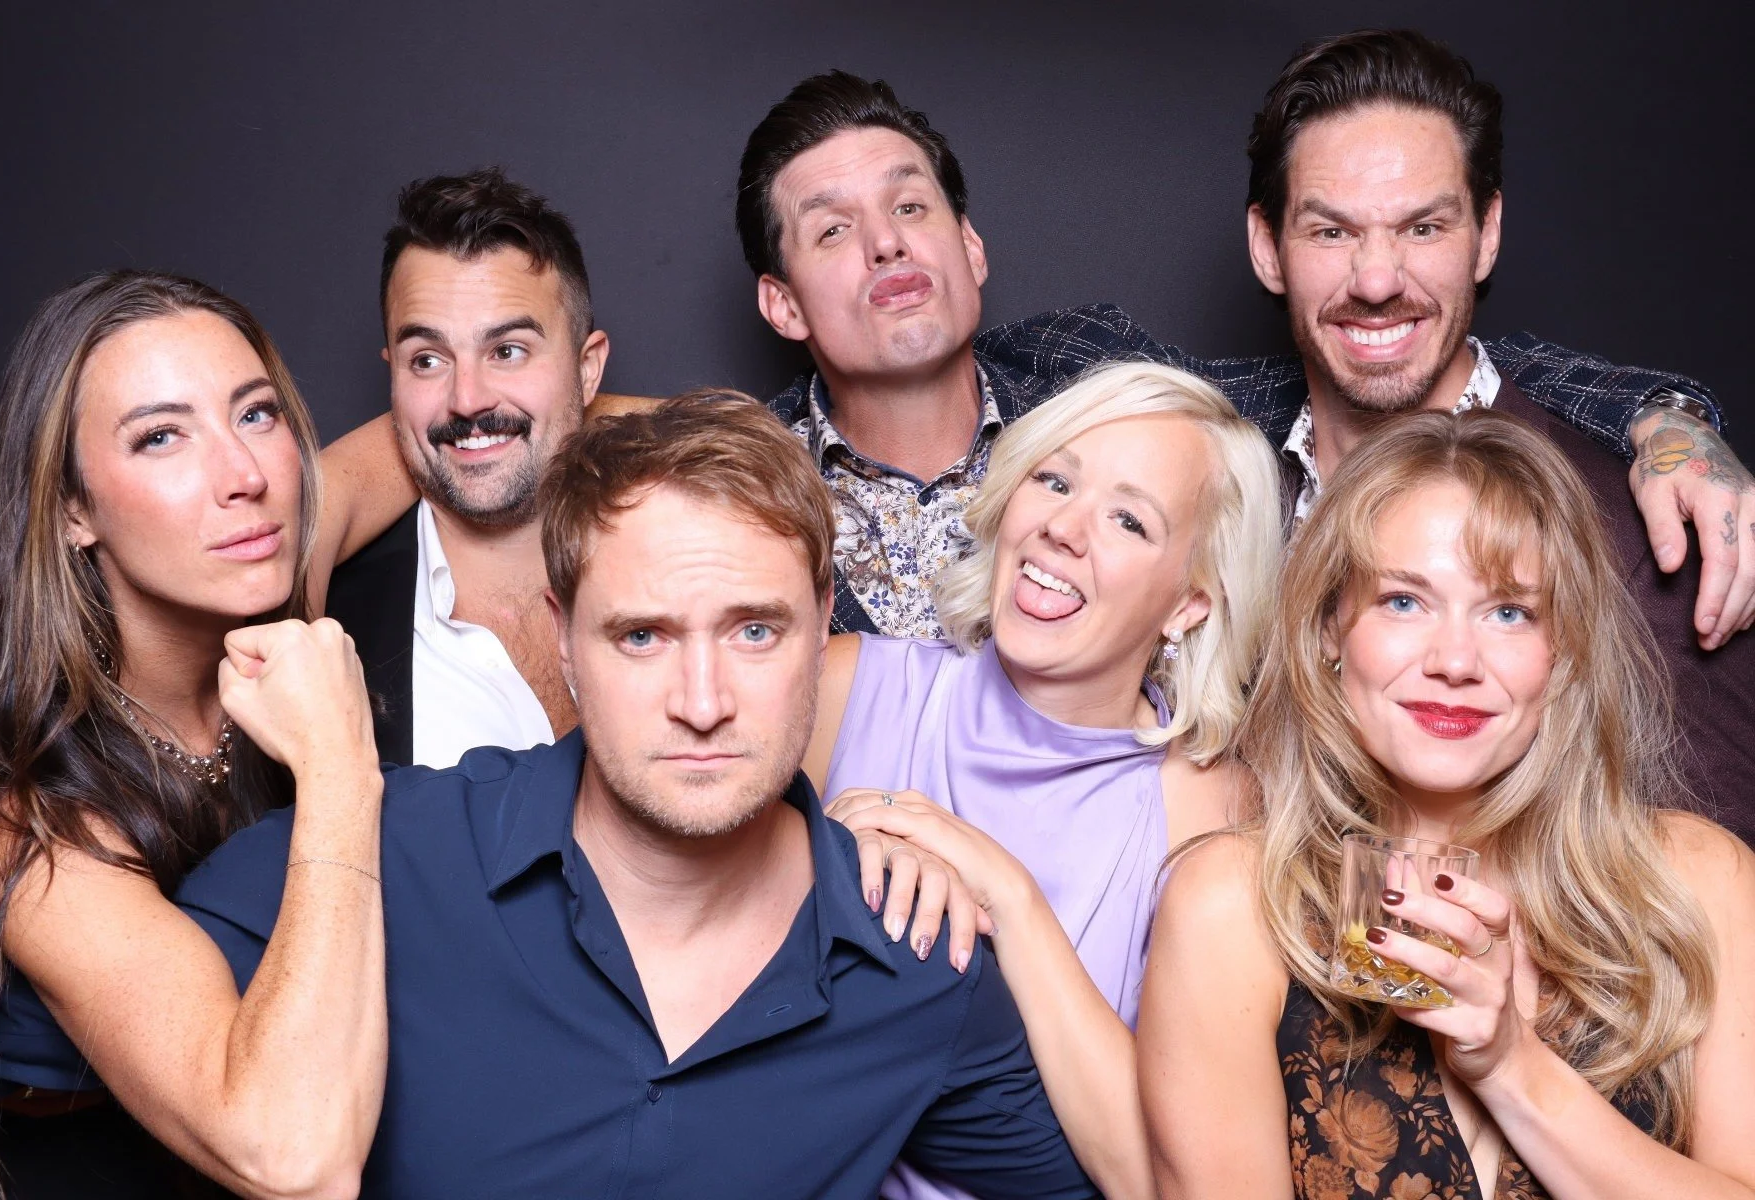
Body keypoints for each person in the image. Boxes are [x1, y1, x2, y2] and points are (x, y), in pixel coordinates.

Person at [175, 394, 1101, 1200]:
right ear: (564, 640)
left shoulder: (918, 963)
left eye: (753, 631)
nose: (703, 704)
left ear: (824, 623)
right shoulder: (384, 848)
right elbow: (60, 1056)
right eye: (643, 638)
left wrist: (1015, 907)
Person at [734, 70, 1753, 645]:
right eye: (832, 231)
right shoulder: (735, 478)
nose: (886, 244)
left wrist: (1661, 417)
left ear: (971, 246)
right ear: (780, 301)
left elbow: (1405, 356)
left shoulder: (1103, 385)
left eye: (911, 207)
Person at [1139, 410, 1755, 1199]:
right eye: (1404, 601)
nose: (1455, 661)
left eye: (1509, 612)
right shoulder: (1235, 905)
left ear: (1563, 649)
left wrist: (1510, 1068)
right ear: (1331, 627)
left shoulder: (1696, 881)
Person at [1239, 28, 1755, 842]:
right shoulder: (1218, 488)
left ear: (1487, 232)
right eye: (1331, 232)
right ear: (1269, 248)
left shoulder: (1638, 524)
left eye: (1424, 229)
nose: (1377, 281)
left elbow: (1712, 887)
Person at [0, 271, 398, 1198]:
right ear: (72, 509)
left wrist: (747, 426)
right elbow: (297, 1162)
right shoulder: (23, 820)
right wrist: (339, 770)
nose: (244, 477)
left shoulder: (267, 590)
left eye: (257, 414)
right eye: (161, 437)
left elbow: (434, 432)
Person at [800, 361, 1282, 1200]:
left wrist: (1011, 901)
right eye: (1054, 479)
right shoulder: (843, 689)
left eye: (1130, 520)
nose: (1065, 528)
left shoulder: (1207, 809)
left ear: (1189, 604)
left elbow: (1157, 1183)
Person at [325, 166, 613, 767]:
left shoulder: (688, 560)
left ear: (588, 369)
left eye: (507, 351)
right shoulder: (328, 618)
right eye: (427, 359)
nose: (467, 400)